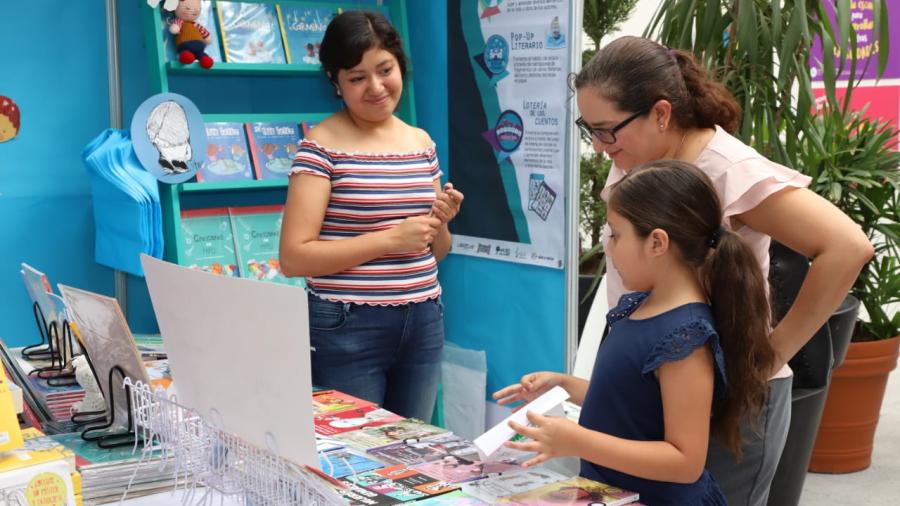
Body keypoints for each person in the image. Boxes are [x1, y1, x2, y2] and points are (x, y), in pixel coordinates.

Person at [569, 36, 873, 505]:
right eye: (587, 129)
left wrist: (768, 356)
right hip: (657, 388)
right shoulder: (633, 156)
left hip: (728, 407)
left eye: (607, 130)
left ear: (662, 114)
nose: (598, 145)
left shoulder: (729, 170)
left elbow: (847, 246)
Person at [496, 160, 775, 505]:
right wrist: (564, 386)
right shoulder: (644, 305)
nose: (608, 248)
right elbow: (632, 401)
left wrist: (577, 440)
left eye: (615, 234)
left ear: (657, 242)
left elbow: (685, 461)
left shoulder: (686, 338)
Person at [279, 10, 464, 422]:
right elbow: (294, 257)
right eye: (357, 77)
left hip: (423, 319)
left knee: (414, 451)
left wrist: (443, 220)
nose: (376, 87)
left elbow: (437, 252)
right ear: (336, 82)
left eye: (385, 70)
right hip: (347, 325)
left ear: (400, 65)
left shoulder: (420, 144)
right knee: (352, 459)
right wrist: (388, 240)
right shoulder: (320, 146)